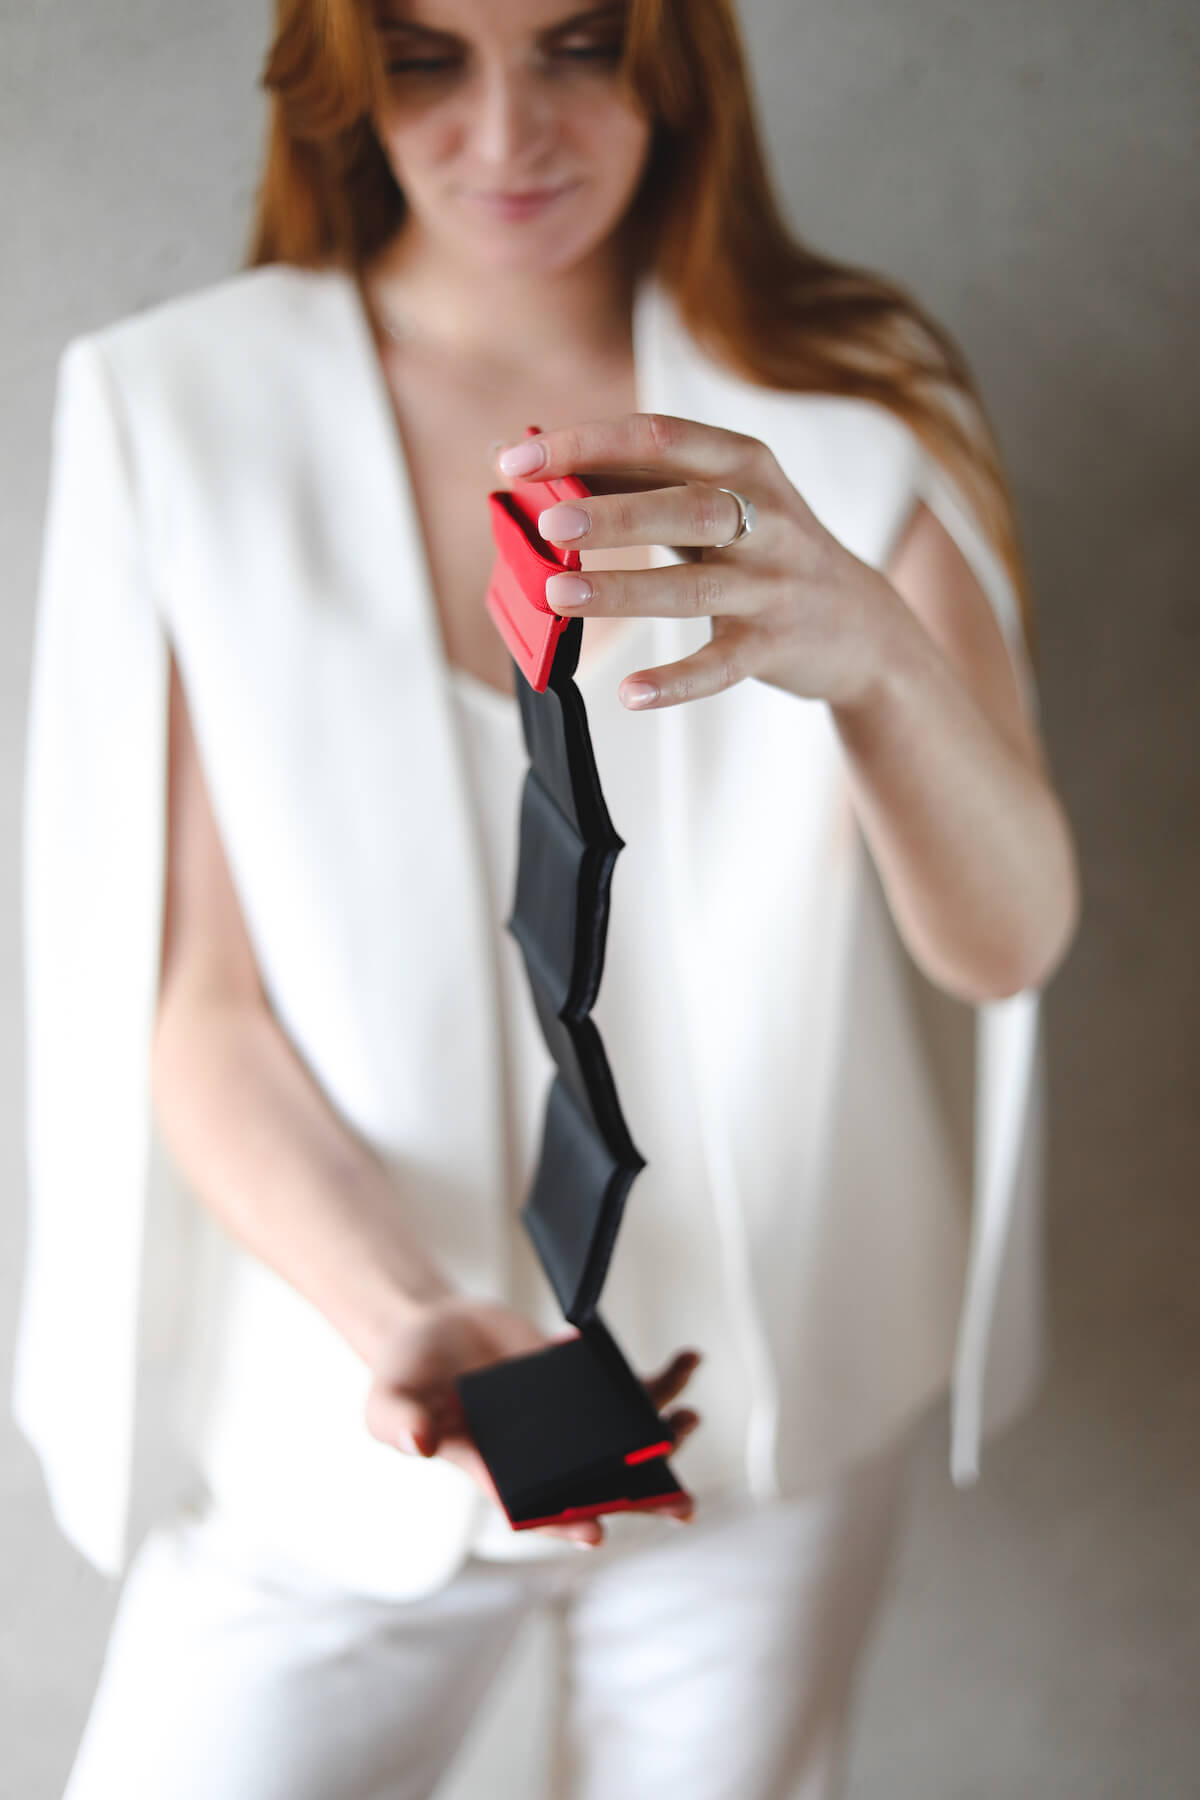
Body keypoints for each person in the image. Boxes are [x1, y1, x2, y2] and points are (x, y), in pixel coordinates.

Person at [14, 1, 1080, 1796]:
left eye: (580, 44)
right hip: (348, 1405)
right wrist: (396, 1316)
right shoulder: (178, 407)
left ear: (675, 57)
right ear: (344, 77)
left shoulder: (853, 403)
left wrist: (874, 657)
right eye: (428, 56)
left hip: (772, 1400)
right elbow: (200, 1006)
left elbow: (1010, 942)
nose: (510, 134)